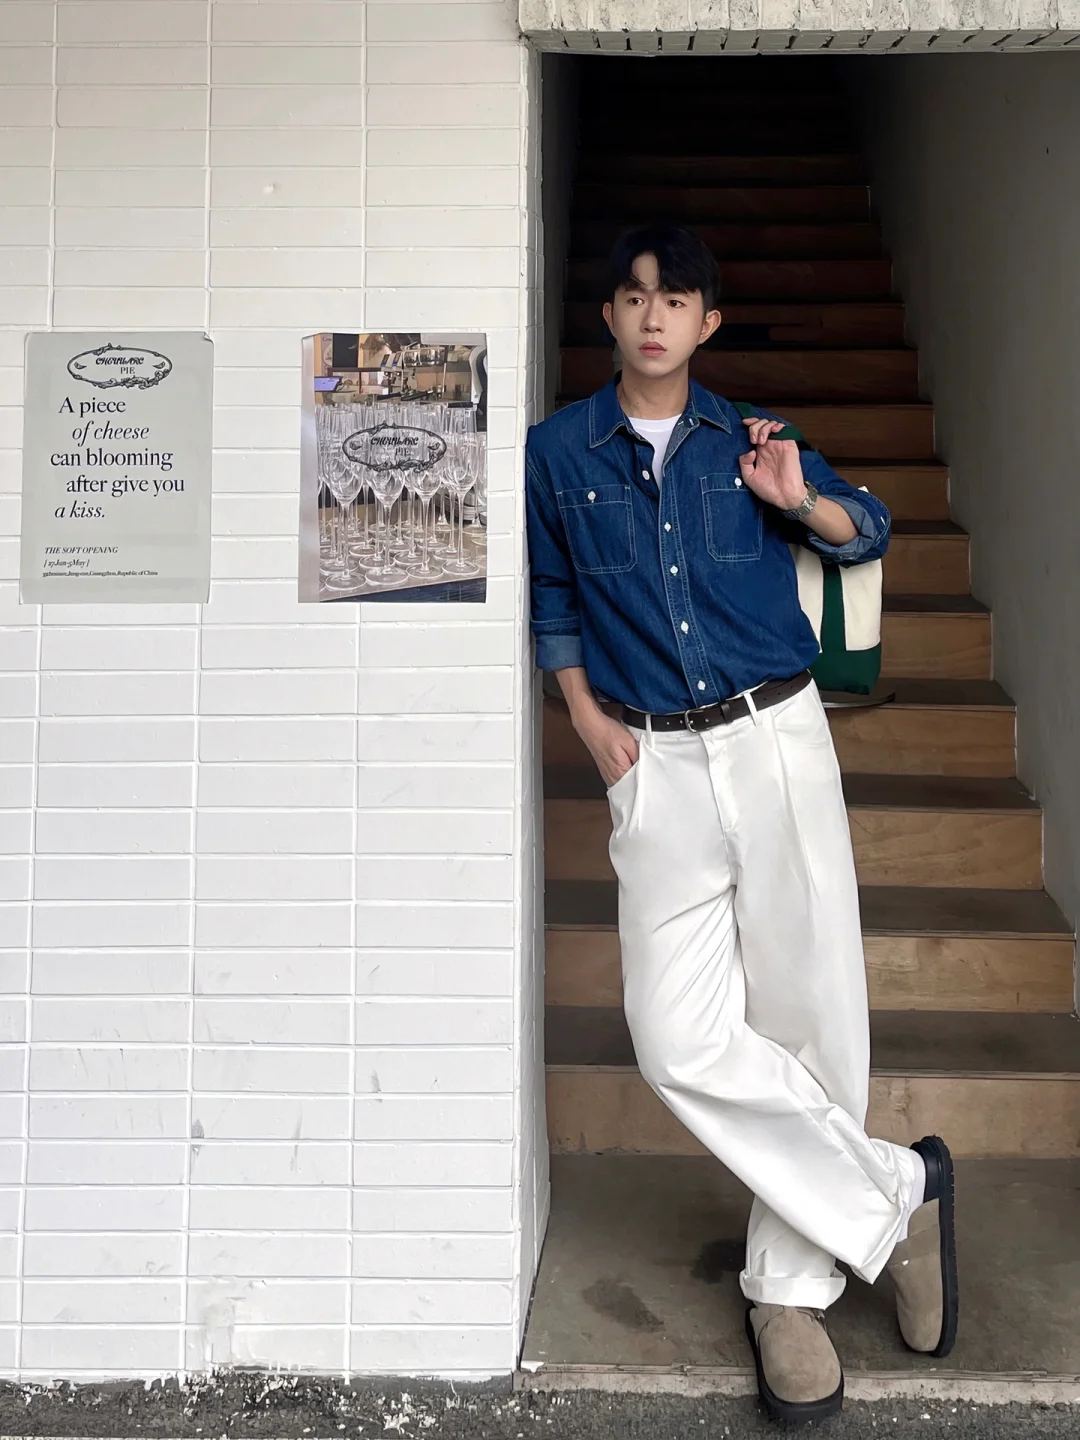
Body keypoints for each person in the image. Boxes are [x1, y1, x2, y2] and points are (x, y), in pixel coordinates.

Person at [524, 224, 958, 1422]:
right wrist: (583, 717)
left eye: (677, 299)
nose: (653, 315)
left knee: (811, 1012)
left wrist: (799, 497)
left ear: (707, 322)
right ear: (610, 317)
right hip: (650, 760)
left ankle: (787, 1293)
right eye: (633, 296)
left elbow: (870, 529)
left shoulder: (753, 439)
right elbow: (553, 593)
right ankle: (897, 1197)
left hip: (774, 739)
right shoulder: (557, 450)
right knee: (675, 1037)